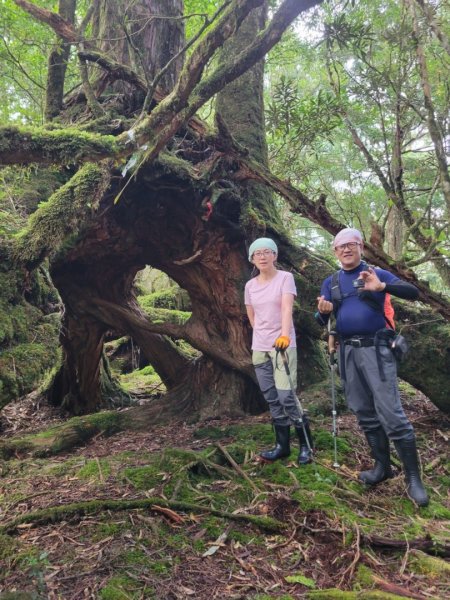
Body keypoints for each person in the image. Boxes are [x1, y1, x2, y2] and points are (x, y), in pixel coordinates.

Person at [316, 227, 429, 506]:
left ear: (361, 247)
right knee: (362, 410)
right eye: (340, 246)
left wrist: (382, 287)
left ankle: (413, 480)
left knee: (390, 412)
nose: (346, 250)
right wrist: (322, 313)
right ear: (334, 252)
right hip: (347, 352)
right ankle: (382, 468)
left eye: (351, 245)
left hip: (376, 350)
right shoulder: (330, 282)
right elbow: (322, 320)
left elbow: (413, 292)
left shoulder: (376, 273)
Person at [245, 237, 314, 465]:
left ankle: (306, 444)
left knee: (286, 395)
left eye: (267, 252)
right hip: (259, 347)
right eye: (258, 253)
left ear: (275, 255)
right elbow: (252, 315)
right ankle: (282, 446)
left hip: (282, 345)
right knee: (272, 397)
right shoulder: (250, 286)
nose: (262, 256)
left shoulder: (286, 278)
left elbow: (286, 308)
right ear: (252, 259)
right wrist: (261, 335)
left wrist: (284, 334)